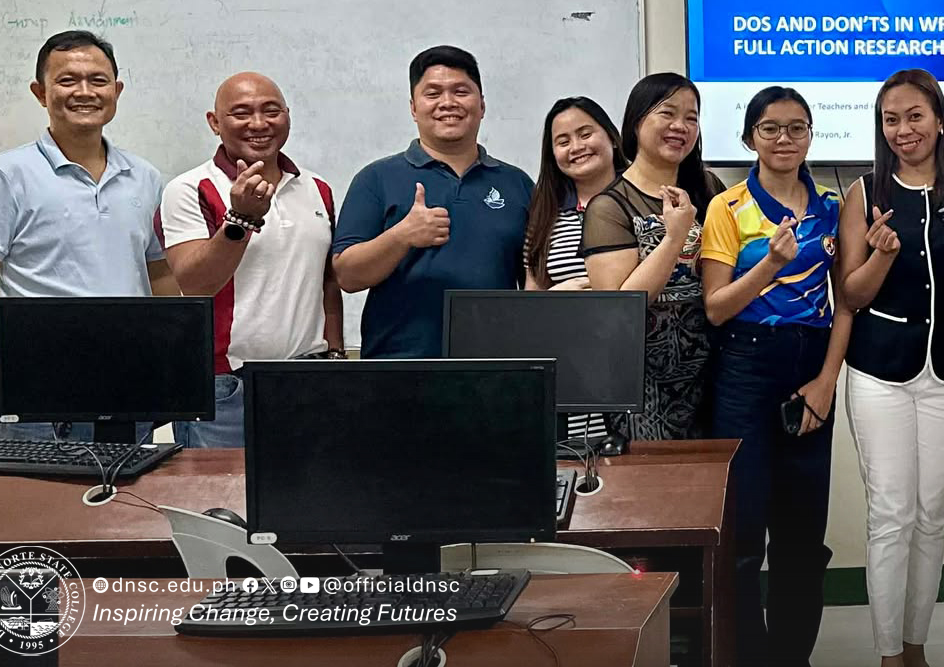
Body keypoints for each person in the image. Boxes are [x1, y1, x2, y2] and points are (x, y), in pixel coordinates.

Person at [698, 86, 847, 667]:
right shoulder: (727, 207)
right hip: (746, 367)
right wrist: (769, 264)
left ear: (811, 135)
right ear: (749, 138)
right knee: (742, 533)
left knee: (803, 534)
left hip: (811, 365)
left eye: (796, 127)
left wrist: (827, 380)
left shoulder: (832, 207)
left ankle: (790, 664)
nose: (784, 139)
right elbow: (715, 308)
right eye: (770, 128)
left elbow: (846, 302)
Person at [0, 30, 179, 442]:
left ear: (116, 91)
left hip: (128, 388)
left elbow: (159, 273)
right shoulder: (7, 174)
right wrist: (10, 369)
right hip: (37, 399)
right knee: (35, 489)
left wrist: (170, 360)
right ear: (40, 93)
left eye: (98, 80)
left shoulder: (144, 177)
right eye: (67, 80)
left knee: (130, 486)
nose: (84, 92)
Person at [837, 69, 944, 667]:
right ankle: (889, 660)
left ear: (940, 119)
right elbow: (851, 293)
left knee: (931, 514)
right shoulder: (864, 191)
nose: (903, 130)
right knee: (891, 513)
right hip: (879, 370)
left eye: (915, 116)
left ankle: (917, 651)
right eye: (890, 119)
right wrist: (882, 254)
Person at [159, 73, 344, 449]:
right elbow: (195, 284)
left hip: (307, 378)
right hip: (223, 387)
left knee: (305, 487)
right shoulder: (190, 189)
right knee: (218, 490)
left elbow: (326, 281)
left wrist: (336, 356)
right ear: (215, 122)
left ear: (288, 116)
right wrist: (241, 218)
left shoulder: (317, 188)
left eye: (271, 111)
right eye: (241, 113)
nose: (258, 124)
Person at [331, 46, 534, 358]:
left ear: (481, 105)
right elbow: (347, 276)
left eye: (461, 91)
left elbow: (533, 280)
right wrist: (401, 236)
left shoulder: (517, 184)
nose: (448, 102)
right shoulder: (376, 179)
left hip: (495, 367)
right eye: (433, 93)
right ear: (414, 108)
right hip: (399, 368)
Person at [582, 73, 724, 443]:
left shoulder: (711, 190)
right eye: (668, 113)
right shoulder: (609, 207)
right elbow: (619, 306)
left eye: (691, 117)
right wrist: (674, 237)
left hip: (717, 374)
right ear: (637, 121)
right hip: (644, 386)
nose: (680, 126)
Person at [524, 96, 625, 291]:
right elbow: (532, 294)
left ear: (612, 137)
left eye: (585, 135)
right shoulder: (545, 212)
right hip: (564, 312)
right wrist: (555, 296)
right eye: (563, 142)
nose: (577, 147)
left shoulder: (642, 197)